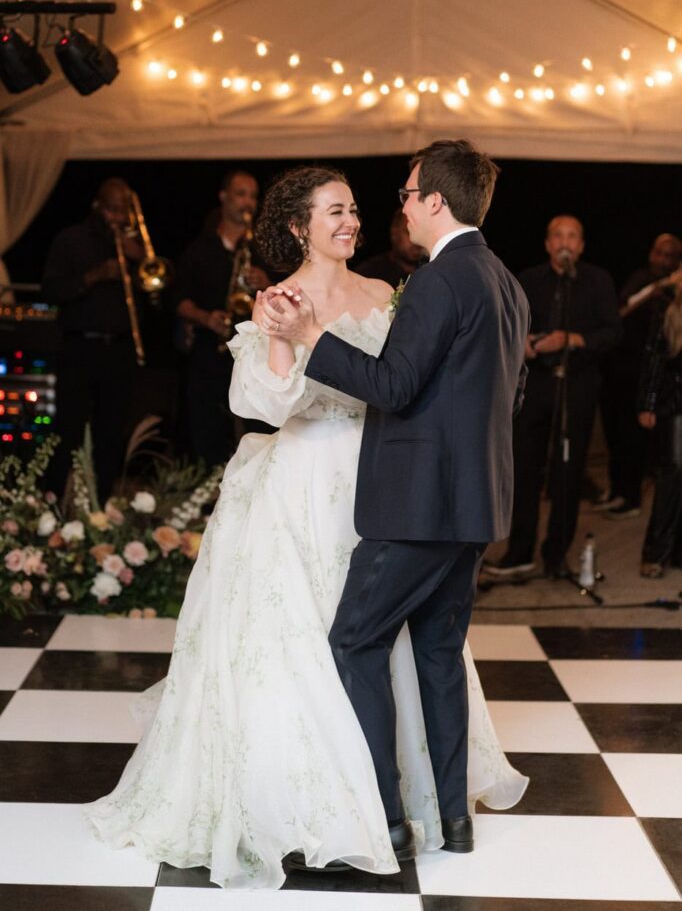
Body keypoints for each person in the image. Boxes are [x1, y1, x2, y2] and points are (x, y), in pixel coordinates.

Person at [84, 163, 528, 889]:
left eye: (354, 209)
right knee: (304, 642)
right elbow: (266, 403)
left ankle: (408, 804)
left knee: (390, 644)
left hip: (389, 476)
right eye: (334, 213)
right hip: (303, 483)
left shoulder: (389, 291)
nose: (352, 222)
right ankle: (317, 805)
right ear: (298, 228)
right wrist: (285, 336)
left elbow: (406, 381)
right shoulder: (279, 298)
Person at [259, 141, 530, 861]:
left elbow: (393, 386)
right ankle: (456, 822)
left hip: (415, 508)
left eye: (409, 194)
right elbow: (509, 396)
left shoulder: (441, 280)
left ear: (436, 202)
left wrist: (312, 335)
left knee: (355, 641)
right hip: (474, 507)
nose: (400, 206)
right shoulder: (504, 280)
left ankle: (386, 819)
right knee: (438, 654)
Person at [483, 214, 621, 580]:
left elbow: (612, 332)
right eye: (557, 236)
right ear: (547, 244)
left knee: (568, 471)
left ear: (581, 245)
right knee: (524, 470)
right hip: (534, 385)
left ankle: (557, 553)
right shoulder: (528, 280)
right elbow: (506, 324)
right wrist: (523, 344)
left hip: (576, 386)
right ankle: (520, 552)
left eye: (572, 236)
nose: (564, 242)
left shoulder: (597, 280)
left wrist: (572, 339)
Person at [42, 178, 144, 503]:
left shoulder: (133, 247)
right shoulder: (71, 239)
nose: (117, 217)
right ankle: (51, 501)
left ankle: (102, 506)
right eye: (113, 209)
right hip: (79, 348)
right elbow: (52, 290)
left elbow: (155, 298)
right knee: (67, 430)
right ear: (98, 205)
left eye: (123, 211)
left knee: (111, 434)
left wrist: (140, 262)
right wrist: (95, 275)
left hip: (119, 350)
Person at [174, 169, 272, 466]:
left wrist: (265, 282)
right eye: (241, 194)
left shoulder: (262, 250)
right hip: (211, 354)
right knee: (208, 433)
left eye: (253, 196)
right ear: (223, 197)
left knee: (259, 436)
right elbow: (178, 301)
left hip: (256, 357)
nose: (248, 202)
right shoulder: (199, 250)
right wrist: (206, 318)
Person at [597, 233, 682, 520]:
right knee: (616, 431)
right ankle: (618, 489)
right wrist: (655, 289)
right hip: (621, 365)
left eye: (671, 256)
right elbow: (620, 311)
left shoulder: (677, 290)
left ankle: (632, 496)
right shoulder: (643, 279)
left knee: (639, 439)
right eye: (660, 253)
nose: (664, 260)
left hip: (653, 375)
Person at [637, 279, 682, 577]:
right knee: (672, 474)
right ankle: (656, 552)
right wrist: (647, 402)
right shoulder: (670, 311)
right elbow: (653, 358)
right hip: (676, 406)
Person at [355, 207, 425, 288]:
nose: (415, 240)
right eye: (409, 232)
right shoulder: (369, 274)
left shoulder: (433, 270)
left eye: (421, 233)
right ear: (395, 233)